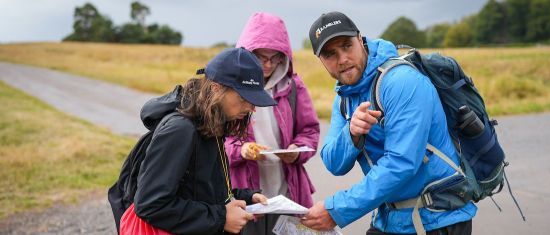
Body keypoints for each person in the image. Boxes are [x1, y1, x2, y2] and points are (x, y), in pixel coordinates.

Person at [300, 12, 476, 235]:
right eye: (330, 54)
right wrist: (351, 133)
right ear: (321, 60)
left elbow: (401, 163)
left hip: (437, 218)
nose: (342, 59)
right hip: (390, 218)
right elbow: (334, 163)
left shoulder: (401, 82)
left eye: (346, 46)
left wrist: (337, 210)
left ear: (360, 39)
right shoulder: (344, 97)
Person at [128, 47, 275, 234]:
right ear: (216, 88)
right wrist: (221, 218)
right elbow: (150, 204)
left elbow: (198, 188)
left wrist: (246, 196)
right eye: (244, 97)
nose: (252, 107)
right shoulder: (181, 130)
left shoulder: (212, 123)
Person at [225, 12, 320, 235]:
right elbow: (215, 137)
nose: (268, 65)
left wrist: (296, 151)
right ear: (246, 54)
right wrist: (242, 150)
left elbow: (310, 131)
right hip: (244, 196)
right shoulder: (229, 87)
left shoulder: (293, 86)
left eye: (275, 57)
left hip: (287, 194)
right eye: (260, 57)